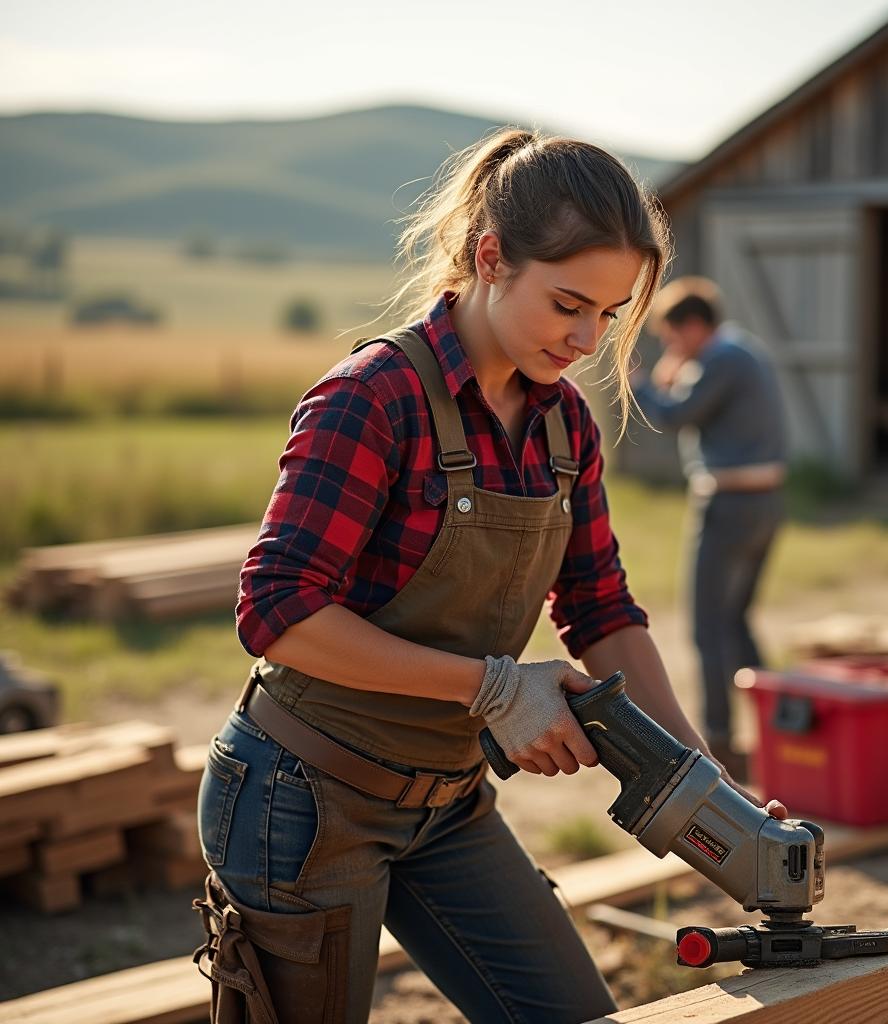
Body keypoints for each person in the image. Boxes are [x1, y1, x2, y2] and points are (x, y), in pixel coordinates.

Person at [193, 131, 787, 1024]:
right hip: (299, 800)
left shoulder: (566, 427)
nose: (588, 340)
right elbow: (277, 611)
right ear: (490, 257)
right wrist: (497, 689)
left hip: (446, 800)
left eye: (610, 314)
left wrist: (703, 782)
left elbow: (601, 609)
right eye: (567, 305)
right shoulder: (373, 397)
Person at [632, 277, 787, 781]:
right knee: (737, 620)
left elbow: (676, 414)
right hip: (765, 500)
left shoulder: (720, 361)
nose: (672, 348)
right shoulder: (747, 351)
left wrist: (641, 384)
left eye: (674, 338)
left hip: (728, 502)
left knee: (707, 628)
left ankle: (720, 743)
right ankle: (781, 728)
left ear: (694, 326)